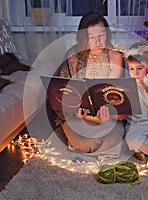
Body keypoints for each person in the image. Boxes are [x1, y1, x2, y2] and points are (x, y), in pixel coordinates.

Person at [52, 11, 126, 158]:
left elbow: (117, 97)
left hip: (108, 118)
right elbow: (62, 93)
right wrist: (74, 110)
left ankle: (98, 144)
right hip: (80, 117)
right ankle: (91, 144)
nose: (98, 42)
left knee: (112, 141)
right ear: (83, 38)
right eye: (92, 37)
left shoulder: (115, 56)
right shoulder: (73, 56)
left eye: (101, 35)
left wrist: (109, 112)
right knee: (84, 144)